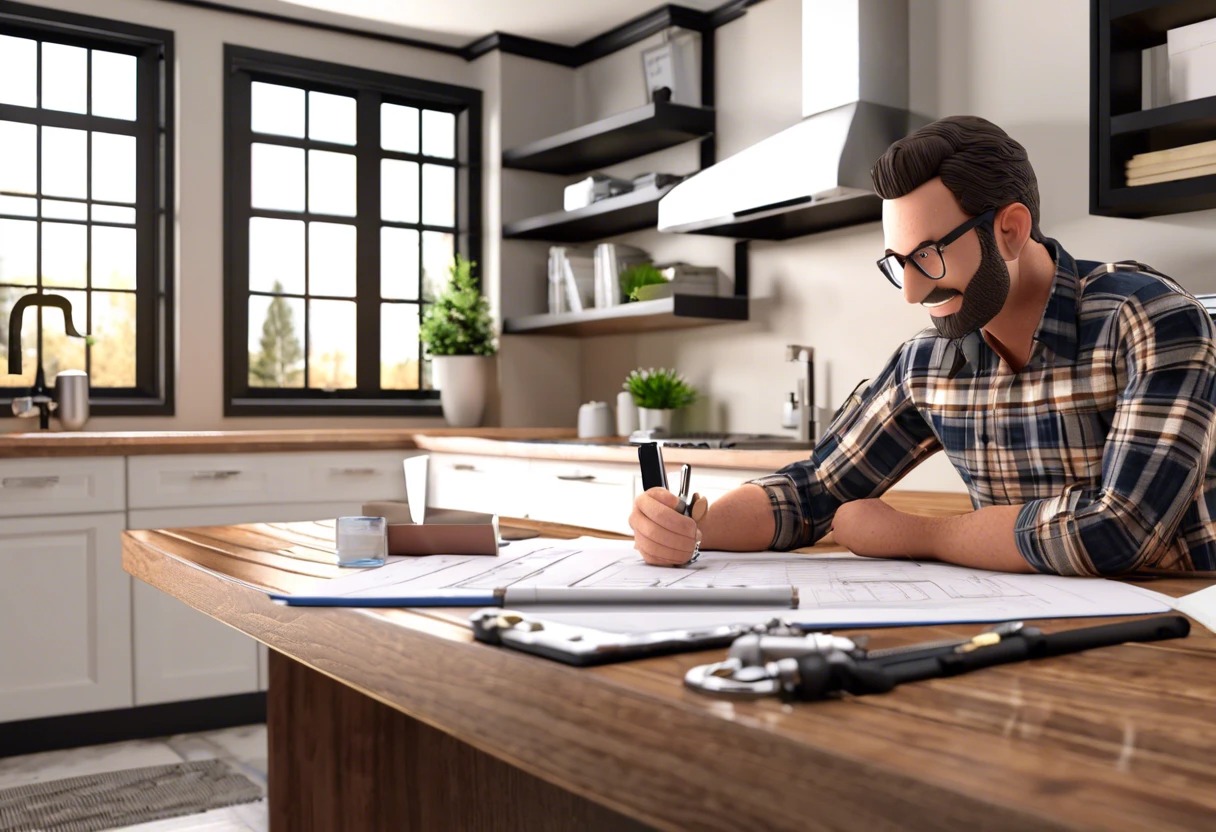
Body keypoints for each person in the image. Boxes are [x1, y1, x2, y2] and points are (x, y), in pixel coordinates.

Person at [629, 115, 1216, 577]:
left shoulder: (1150, 319)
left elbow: (1122, 530)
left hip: (1181, 631)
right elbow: (813, 491)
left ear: (1009, 229)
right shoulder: (929, 363)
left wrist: (914, 535)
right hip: (1021, 627)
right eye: (897, 263)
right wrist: (691, 523)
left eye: (928, 255)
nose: (911, 292)